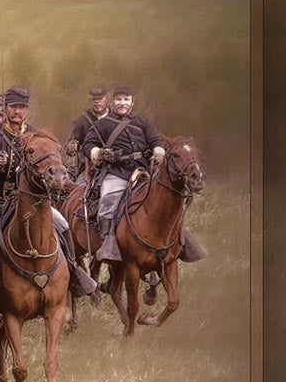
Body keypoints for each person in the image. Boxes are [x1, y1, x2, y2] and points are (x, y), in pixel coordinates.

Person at [0, 85, 96, 296]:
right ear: (5, 108)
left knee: (63, 225)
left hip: (29, 201)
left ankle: (74, 272)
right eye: (13, 107)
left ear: (27, 109)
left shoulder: (36, 135)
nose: (17, 111)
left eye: (21, 107)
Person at [82, 86, 205, 263]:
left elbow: (155, 140)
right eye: (119, 99)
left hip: (143, 171)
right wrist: (99, 153)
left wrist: (158, 151)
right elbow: (88, 144)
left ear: (133, 102)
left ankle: (181, 239)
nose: (122, 103)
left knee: (164, 201)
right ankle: (109, 241)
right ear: (113, 102)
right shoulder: (103, 124)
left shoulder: (143, 122)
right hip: (116, 172)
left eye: (126, 100)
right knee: (108, 199)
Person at [65, 85, 110, 182]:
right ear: (90, 101)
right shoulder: (82, 120)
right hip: (89, 167)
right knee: (78, 189)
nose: (97, 102)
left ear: (107, 98)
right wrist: (71, 146)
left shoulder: (116, 117)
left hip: (114, 165)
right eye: (94, 99)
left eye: (100, 99)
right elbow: (72, 143)